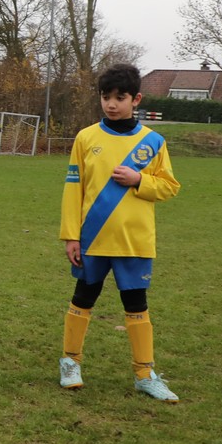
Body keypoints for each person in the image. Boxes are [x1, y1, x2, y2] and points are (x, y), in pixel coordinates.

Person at [58, 62, 183, 401]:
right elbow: (73, 189)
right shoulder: (86, 138)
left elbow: (169, 186)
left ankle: (144, 373)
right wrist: (71, 236)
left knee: (136, 304)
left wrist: (139, 179)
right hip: (92, 239)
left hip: (134, 241)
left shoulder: (153, 142)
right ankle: (70, 362)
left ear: (136, 99)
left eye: (120, 98)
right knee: (83, 298)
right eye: (105, 97)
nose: (111, 104)